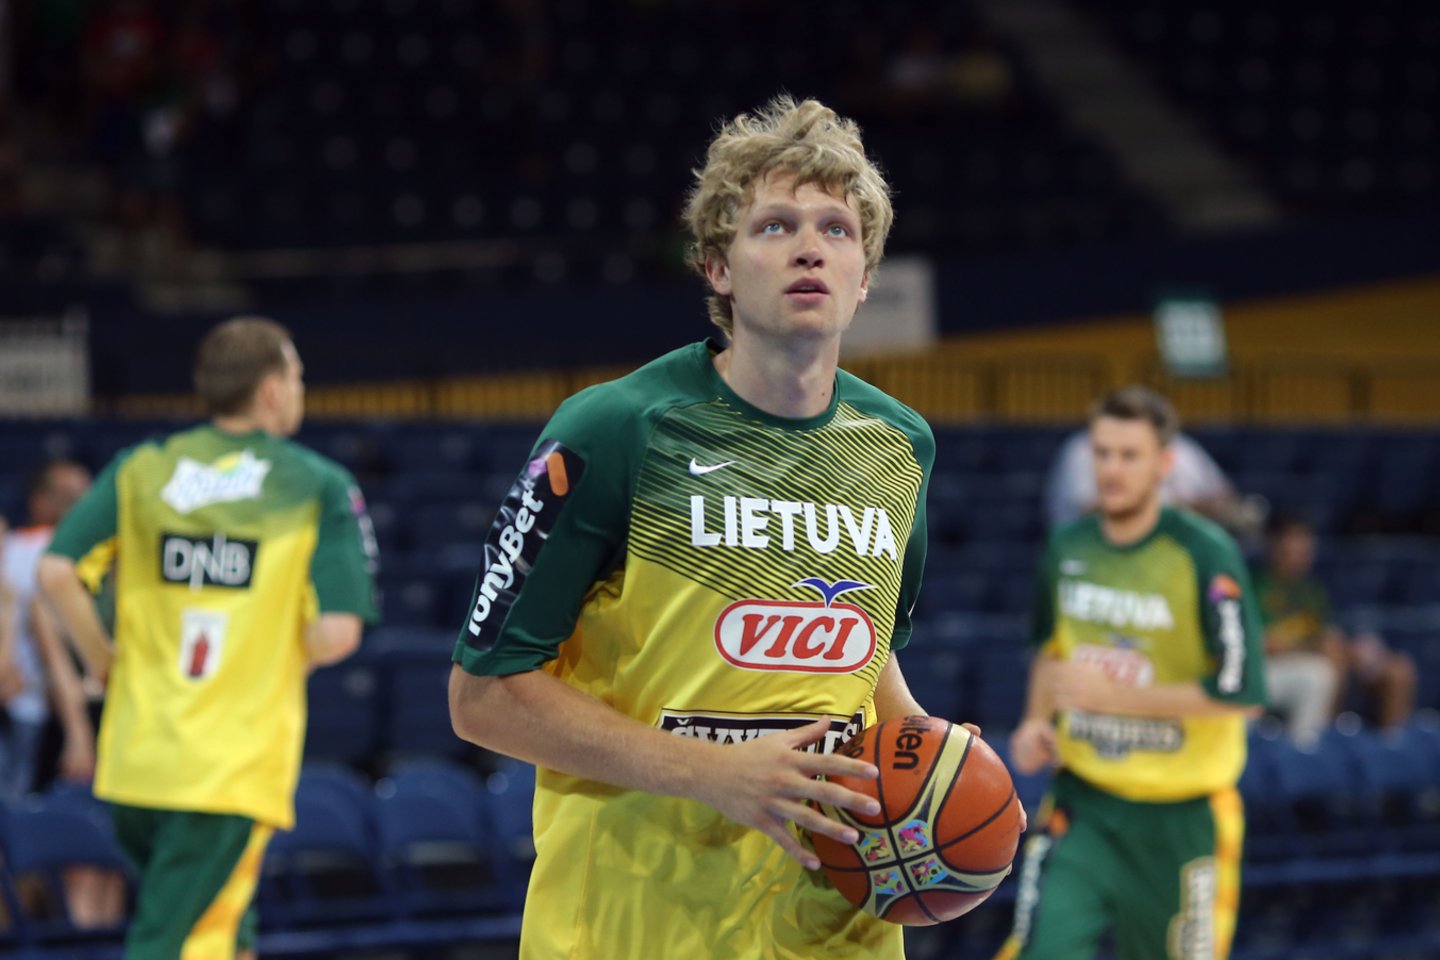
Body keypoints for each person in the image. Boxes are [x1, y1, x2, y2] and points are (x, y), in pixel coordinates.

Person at [448, 96, 964, 959]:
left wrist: (925, 743)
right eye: (775, 226)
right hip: (635, 926)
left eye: (837, 230)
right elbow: (481, 697)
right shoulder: (616, 428)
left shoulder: (900, 444)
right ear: (718, 267)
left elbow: (864, 651)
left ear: (865, 277)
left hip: (834, 928)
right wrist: (713, 773)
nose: (810, 248)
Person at [38, 317, 379, 960]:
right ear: (272, 389)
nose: (301, 389)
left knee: (229, 931)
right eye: (298, 376)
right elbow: (338, 632)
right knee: (175, 944)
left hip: (137, 759)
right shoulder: (316, 483)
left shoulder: (142, 468)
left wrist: (103, 661)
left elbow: (56, 572)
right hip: (227, 766)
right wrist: (272, 654)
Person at [1000, 386, 1267, 960]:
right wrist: (1034, 720)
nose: (1112, 469)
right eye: (1102, 453)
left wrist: (1118, 695)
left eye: (1129, 455)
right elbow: (1050, 649)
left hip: (1183, 817)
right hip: (1083, 804)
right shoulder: (1067, 545)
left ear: (1164, 464)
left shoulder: (1205, 553)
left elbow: (1242, 693)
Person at [1254, 516, 1414, 742]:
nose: (1301, 555)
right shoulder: (1254, 584)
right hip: (1272, 666)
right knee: (1325, 663)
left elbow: (1325, 633)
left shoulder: (1312, 590)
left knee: (1398, 670)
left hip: (1314, 658)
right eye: (1292, 548)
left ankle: (1391, 748)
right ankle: (1322, 741)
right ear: (1273, 546)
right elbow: (1266, 644)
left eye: (1306, 548)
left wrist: (1353, 649)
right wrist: (1317, 647)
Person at [0, 459, 96, 804]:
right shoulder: (10, 547)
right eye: (69, 496)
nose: (82, 503)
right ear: (39, 501)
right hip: (24, 707)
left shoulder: (93, 553)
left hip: (63, 707)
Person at [1044, 427, 1265, 539]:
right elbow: (1091, 510)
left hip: (1174, 554)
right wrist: (1180, 509)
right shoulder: (1086, 447)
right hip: (1099, 552)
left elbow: (1225, 497)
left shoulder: (1181, 447)